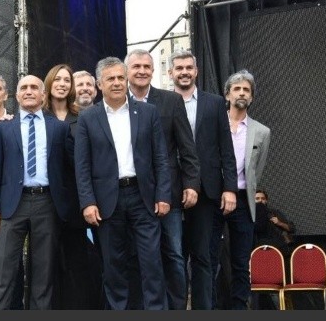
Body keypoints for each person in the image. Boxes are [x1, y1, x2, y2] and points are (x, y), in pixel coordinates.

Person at [74, 56, 172, 310]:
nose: (117, 83)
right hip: (107, 201)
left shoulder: (147, 112)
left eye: (120, 77)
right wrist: (87, 202)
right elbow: (82, 165)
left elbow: (161, 157)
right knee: (113, 266)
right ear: (99, 84)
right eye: (111, 79)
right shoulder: (88, 117)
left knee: (151, 263)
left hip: (144, 197)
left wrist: (163, 194)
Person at [0, 74, 72, 310]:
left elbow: (68, 169)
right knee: (3, 272)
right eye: (24, 87)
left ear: (44, 95)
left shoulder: (60, 128)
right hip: (12, 205)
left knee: (43, 275)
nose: (29, 91)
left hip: (48, 203)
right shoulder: (3, 129)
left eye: (35, 87)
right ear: (17, 95)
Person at [124, 49, 200, 310]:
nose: (142, 71)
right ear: (126, 71)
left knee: (174, 255)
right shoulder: (116, 104)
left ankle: (177, 307)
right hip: (132, 194)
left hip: (168, 192)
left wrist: (191, 184)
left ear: (154, 71)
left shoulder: (170, 101)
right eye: (136, 67)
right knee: (137, 255)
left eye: (147, 66)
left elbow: (187, 148)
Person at [167, 50, 237, 310]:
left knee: (203, 257)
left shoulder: (215, 102)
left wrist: (229, 189)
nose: (184, 72)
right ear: (170, 73)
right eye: (179, 68)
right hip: (171, 190)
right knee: (174, 257)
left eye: (188, 68)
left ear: (196, 71)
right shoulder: (159, 102)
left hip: (208, 191)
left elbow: (226, 149)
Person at [209, 70, 271, 309]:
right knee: (210, 257)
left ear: (252, 97)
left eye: (246, 90)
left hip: (244, 201)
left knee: (241, 260)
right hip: (214, 199)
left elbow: (258, 169)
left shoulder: (262, 132)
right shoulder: (214, 125)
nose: (242, 93)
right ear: (227, 94)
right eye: (237, 89)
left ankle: (238, 308)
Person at [43, 64, 101, 309]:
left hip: (77, 200)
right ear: (49, 83)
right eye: (58, 79)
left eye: (67, 80)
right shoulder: (37, 116)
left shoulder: (84, 117)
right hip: (45, 201)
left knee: (79, 262)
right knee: (48, 263)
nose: (62, 84)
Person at [253, 189, 294, 310]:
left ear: (267, 200)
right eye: (257, 199)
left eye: (262, 199)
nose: (260, 202)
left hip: (279, 253)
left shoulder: (274, 213)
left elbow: (291, 228)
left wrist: (279, 222)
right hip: (259, 254)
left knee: (279, 285)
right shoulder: (250, 214)